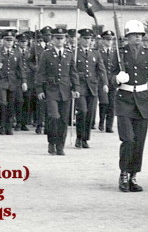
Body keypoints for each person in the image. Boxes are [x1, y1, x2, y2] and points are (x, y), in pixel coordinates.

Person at [36, 27, 79, 155]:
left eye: (62, 38)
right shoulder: (46, 54)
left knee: (64, 120)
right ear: (53, 39)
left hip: (65, 90)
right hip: (51, 90)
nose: (59, 41)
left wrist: (76, 88)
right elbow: (40, 73)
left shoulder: (69, 54)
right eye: (57, 38)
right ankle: (52, 142)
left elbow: (73, 73)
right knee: (53, 117)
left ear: (65, 39)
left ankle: (60, 146)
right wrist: (39, 89)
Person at [74, 28, 106, 148]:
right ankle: (79, 136)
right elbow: (72, 69)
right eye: (85, 38)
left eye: (89, 39)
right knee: (82, 111)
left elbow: (101, 69)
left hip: (92, 86)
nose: (87, 41)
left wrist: (105, 83)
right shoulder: (75, 53)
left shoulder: (95, 53)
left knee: (90, 114)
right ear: (80, 39)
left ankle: (85, 138)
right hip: (80, 86)